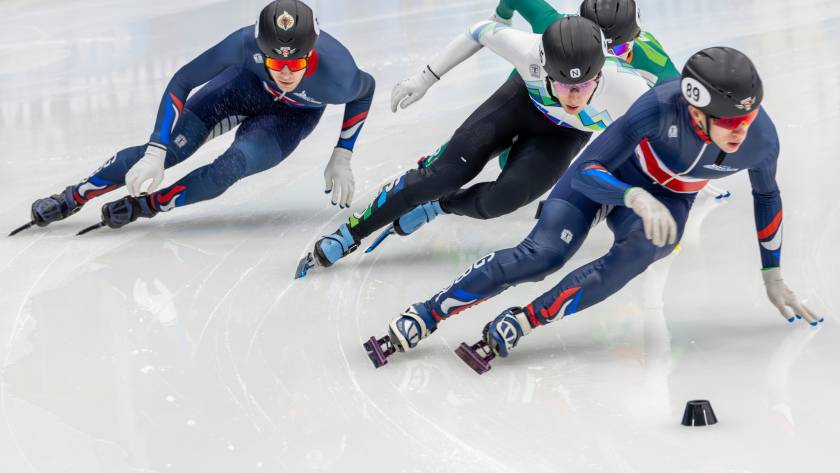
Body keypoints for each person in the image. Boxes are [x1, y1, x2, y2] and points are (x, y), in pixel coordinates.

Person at [364, 46, 823, 373]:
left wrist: (772, 273)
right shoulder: (659, 107)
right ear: (695, 111)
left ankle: (525, 319)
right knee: (542, 256)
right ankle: (429, 313)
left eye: (747, 118)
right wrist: (632, 196)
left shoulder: (761, 140)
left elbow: (767, 196)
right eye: (730, 121)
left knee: (642, 252)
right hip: (609, 179)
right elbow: (586, 171)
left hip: (667, 201)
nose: (741, 131)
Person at [296, 13, 653, 277]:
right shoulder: (528, 51)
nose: (573, 97)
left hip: (563, 136)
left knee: (501, 202)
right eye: (561, 84)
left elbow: (667, 128)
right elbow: (479, 30)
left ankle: (441, 205)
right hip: (519, 104)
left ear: (601, 71)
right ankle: (350, 232)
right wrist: (425, 78)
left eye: (584, 86)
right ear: (543, 66)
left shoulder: (629, 89)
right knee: (439, 176)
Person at [10, 0, 374, 237]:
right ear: (259, 49)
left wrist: (343, 153)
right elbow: (183, 80)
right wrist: (155, 150)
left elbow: (365, 90)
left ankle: (147, 206)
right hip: (242, 88)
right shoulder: (243, 43)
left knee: (229, 169)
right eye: (275, 63)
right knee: (170, 152)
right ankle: (74, 196)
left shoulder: (338, 74)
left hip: (289, 118)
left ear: (311, 54)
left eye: (296, 64)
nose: (285, 73)